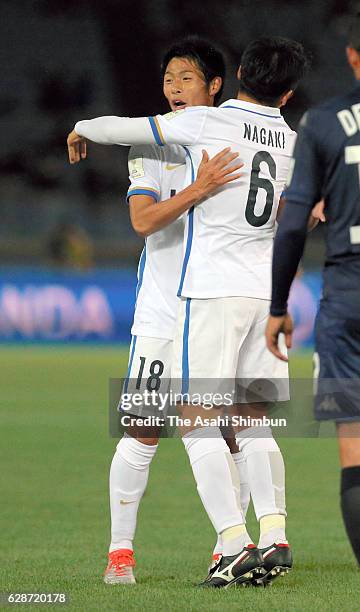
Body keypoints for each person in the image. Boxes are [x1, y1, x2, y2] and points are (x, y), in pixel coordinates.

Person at [68, 36, 310, 588]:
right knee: (143, 430)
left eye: (186, 79)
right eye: (168, 79)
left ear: (218, 84)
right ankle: (122, 552)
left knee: (220, 427)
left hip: (210, 299)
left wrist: (83, 126)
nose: (174, 89)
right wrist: (199, 190)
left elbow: (111, 125)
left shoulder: (211, 128)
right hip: (166, 309)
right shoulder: (155, 147)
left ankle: (233, 545)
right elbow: (144, 222)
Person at [265, 14, 360, 568]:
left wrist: (278, 305)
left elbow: (294, 221)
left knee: (354, 447)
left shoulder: (323, 122)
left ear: (351, 56)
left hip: (348, 296)